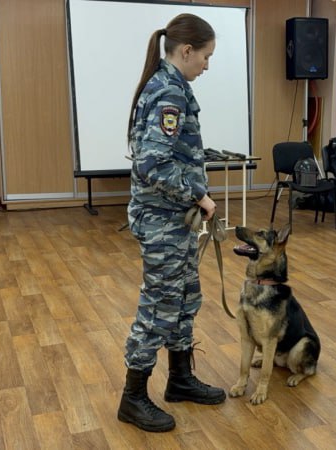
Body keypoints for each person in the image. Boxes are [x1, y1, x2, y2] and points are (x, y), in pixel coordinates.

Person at [118, 13, 225, 433]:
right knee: (159, 306)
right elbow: (151, 163)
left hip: (174, 219)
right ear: (186, 51)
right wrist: (198, 194)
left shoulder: (173, 86)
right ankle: (132, 396)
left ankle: (180, 378)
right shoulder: (168, 91)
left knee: (183, 299)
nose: (207, 64)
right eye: (206, 56)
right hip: (162, 220)